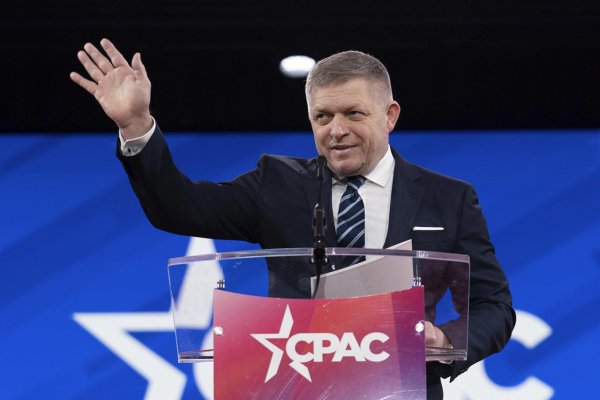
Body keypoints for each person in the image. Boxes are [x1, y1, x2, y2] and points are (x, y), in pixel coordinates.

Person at [71, 38, 515, 399]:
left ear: (389, 115)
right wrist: (136, 126)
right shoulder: (277, 184)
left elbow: (493, 307)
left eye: (353, 113)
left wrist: (443, 340)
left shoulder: (448, 199)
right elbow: (178, 207)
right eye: (322, 117)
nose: (336, 130)